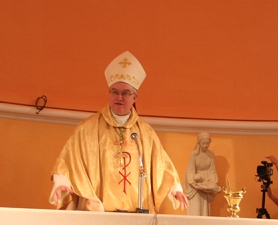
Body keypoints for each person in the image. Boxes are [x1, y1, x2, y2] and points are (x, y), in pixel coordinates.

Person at [50, 51, 187, 212]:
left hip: (136, 213)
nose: (119, 97)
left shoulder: (145, 132)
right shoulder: (88, 129)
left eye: (125, 93)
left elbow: (161, 164)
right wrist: (62, 182)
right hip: (98, 214)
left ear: (134, 97)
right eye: (114, 92)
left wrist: (175, 188)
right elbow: (70, 160)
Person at [184, 132, 221, 216]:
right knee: (196, 209)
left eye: (207, 144)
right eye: (203, 143)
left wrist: (212, 182)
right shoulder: (194, 155)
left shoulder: (211, 155)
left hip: (206, 183)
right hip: (196, 185)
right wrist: (194, 182)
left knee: (204, 211)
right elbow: (190, 169)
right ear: (199, 143)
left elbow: (212, 170)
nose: (205, 146)